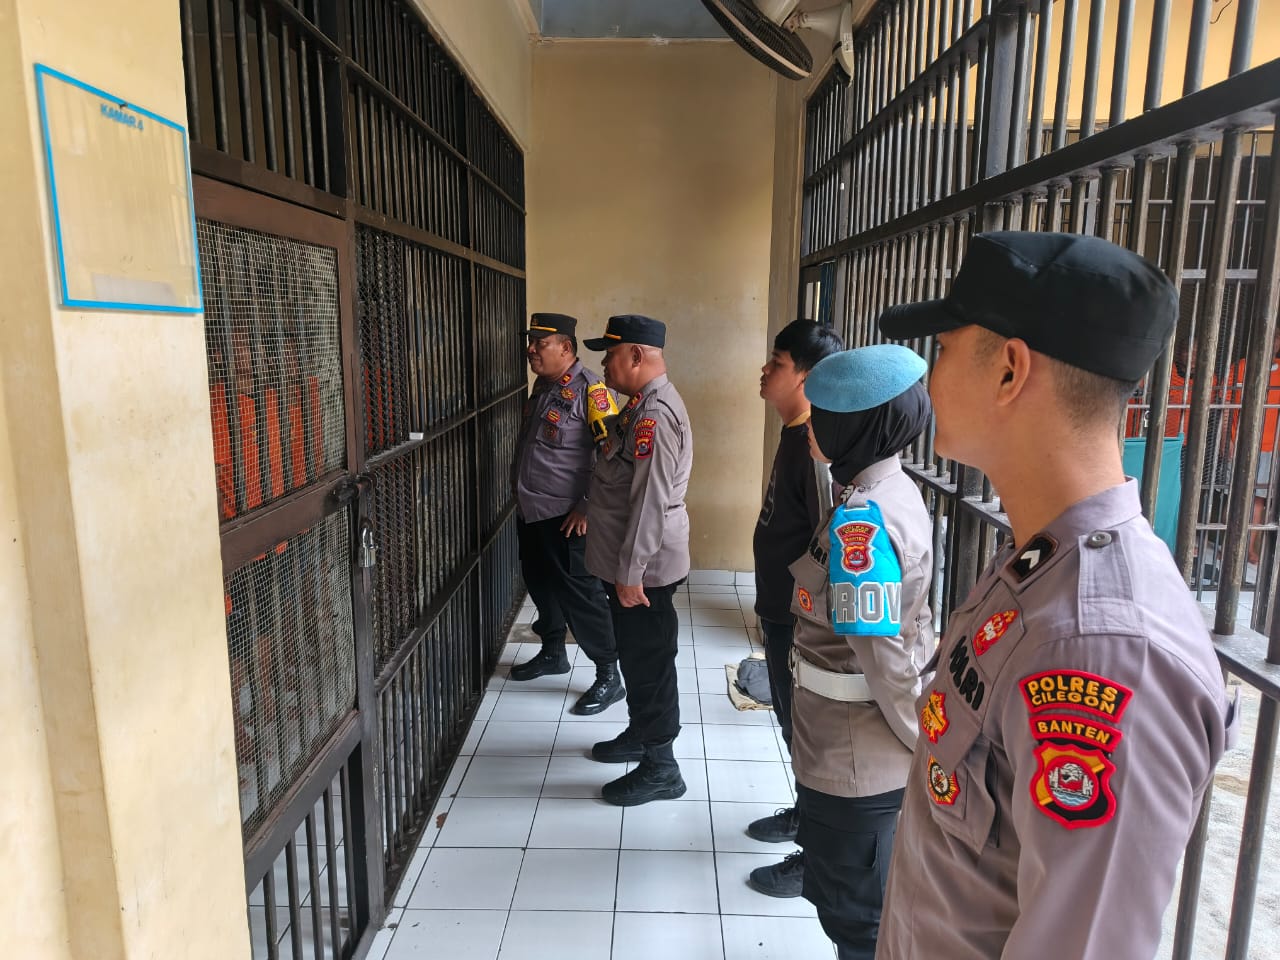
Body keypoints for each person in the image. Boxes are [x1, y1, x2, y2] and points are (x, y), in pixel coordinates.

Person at [874, 231, 1238, 960]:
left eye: (943, 349)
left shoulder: (1104, 648)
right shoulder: (1040, 563)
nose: (928, 379)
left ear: (1010, 370)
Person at [754, 345, 935, 957]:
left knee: (857, 921)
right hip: (844, 741)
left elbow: (883, 659)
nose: (812, 425)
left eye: (824, 415)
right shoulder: (878, 491)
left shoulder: (865, 522)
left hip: (858, 753)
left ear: (854, 426)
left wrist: (920, 738)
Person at [743, 319, 843, 896]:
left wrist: (807, 621)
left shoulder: (815, 449)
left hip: (800, 619)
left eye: (777, 363)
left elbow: (826, 541)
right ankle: (806, 816)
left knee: (804, 731)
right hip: (780, 610)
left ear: (806, 376)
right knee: (790, 724)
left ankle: (818, 856)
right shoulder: (792, 434)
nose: (765, 370)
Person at [581, 314, 693, 806]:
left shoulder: (655, 416)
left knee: (650, 663)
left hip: (644, 571)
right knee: (635, 654)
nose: (605, 366)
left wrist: (631, 574)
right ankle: (640, 735)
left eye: (610, 356)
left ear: (635, 355)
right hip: (630, 563)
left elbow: (650, 501)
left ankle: (662, 767)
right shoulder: (637, 408)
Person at [509, 313, 624, 716]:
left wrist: (588, 505)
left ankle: (609, 674)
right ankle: (553, 652)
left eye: (540, 344)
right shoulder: (543, 386)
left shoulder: (593, 391)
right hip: (532, 510)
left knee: (582, 597)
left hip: (567, 516)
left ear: (566, 348)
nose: (531, 350)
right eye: (531, 342)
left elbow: (611, 456)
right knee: (541, 583)